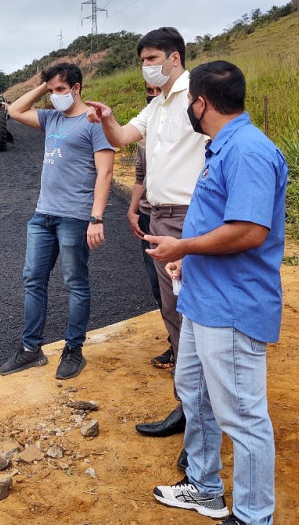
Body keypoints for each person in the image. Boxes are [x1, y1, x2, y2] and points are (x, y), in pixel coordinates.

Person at [147, 60, 287, 525]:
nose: (188, 107)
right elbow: (223, 222)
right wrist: (192, 257)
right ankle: (205, 488)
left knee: (244, 418)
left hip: (232, 306)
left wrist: (183, 244)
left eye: (190, 101)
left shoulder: (247, 151)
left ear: (201, 103)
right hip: (203, 298)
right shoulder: (222, 146)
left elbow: (248, 231)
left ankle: (252, 515)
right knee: (196, 394)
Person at [85, 27, 207, 442]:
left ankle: (200, 413)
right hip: (161, 217)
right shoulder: (156, 107)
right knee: (174, 311)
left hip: (189, 216)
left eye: (152, 58)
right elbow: (120, 138)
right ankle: (189, 406)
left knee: (192, 312)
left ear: (175, 58)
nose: (146, 66)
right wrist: (107, 118)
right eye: (143, 60)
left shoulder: (196, 97)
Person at [0, 62, 114, 381]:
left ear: (77, 88)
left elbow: (105, 172)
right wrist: (43, 84)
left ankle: (73, 349)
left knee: (75, 282)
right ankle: (30, 349)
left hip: (76, 217)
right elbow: (16, 110)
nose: (55, 96)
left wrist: (96, 218)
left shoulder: (94, 122)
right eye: (51, 91)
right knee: (33, 280)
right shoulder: (50, 118)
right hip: (43, 215)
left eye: (61, 90)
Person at [126, 83, 171, 366]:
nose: (152, 95)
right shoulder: (144, 131)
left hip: (169, 216)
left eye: (158, 90)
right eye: (149, 91)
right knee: (157, 285)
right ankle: (174, 339)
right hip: (146, 216)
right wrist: (132, 210)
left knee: (173, 284)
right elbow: (140, 176)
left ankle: (182, 347)